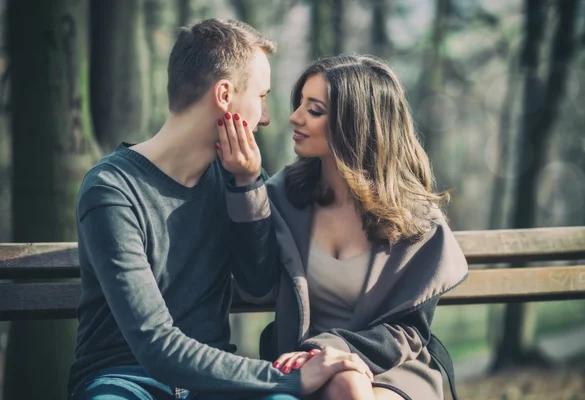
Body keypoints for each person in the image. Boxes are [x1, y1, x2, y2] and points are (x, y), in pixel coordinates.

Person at [67, 19, 371, 400]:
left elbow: (258, 284)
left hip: (212, 386)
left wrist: (247, 185)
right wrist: (286, 378)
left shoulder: (233, 180)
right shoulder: (111, 189)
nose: (265, 117)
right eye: (261, 97)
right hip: (125, 381)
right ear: (224, 96)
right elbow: (155, 346)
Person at [259, 55, 469, 400]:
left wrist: (331, 346)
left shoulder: (416, 220)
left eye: (314, 110)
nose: (294, 117)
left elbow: (409, 333)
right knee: (348, 385)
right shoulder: (284, 197)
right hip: (305, 364)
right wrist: (243, 181)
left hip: (394, 367)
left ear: (355, 124)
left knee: (358, 390)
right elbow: (252, 275)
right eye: (300, 104)